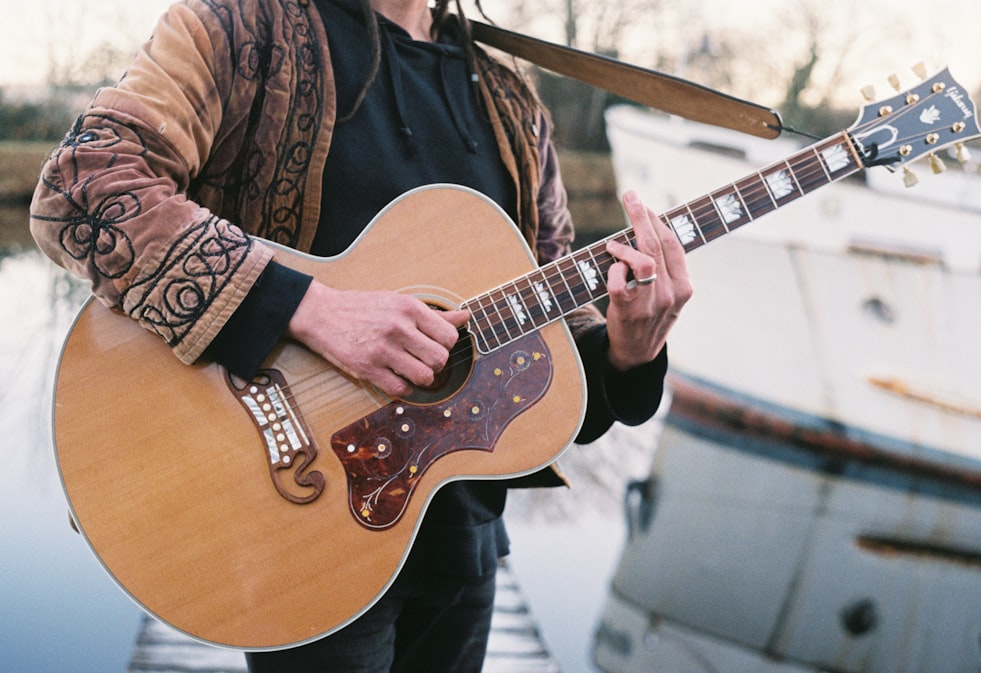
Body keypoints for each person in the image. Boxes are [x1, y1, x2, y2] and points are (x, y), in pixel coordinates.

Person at [29, 0, 692, 671]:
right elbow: (82, 187)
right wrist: (312, 308)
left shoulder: (511, 103)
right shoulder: (237, 31)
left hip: (463, 537)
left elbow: (549, 334)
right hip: (300, 530)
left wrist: (627, 352)